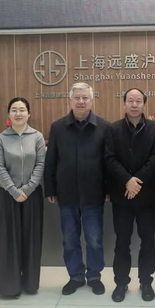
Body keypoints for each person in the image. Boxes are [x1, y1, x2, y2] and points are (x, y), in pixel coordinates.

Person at [44, 83, 111, 296]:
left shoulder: (104, 127)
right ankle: (75, 277)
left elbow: (109, 162)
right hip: (67, 194)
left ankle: (94, 276)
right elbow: (51, 160)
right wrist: (50, 188)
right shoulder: (58, 127)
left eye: (85, 98)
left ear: (91, 100)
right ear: (70, 100)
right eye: (77, 98)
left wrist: (108, 188)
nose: (81, 102)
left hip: (94, 194)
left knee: (94, 239)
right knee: (70, 240)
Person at [105, 88, 155, 302]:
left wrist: (136, 181)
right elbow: (109, 159)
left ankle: (146, 282)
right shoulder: (113, 129)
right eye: (130, 101)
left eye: (138, 101)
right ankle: (121, 283)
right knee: (122, 242)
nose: (134, 104)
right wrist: (127, 180)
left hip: (146, 196)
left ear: (144, 104)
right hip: (122, 196)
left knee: (148, 241)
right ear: (124, 104)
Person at [0, 97, 46, 297]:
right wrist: (14, 191)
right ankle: (10, 286)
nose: (18, 113)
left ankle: (30, 284)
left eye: (22, 109)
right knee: (9, 241)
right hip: (8, 196)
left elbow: (40, 164)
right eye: (14, 110)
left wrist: (29, 188)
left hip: (32, 196)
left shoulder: (37, 137)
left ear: (29, 113)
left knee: (31, 241)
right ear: (8, 114)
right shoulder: (1, 139)